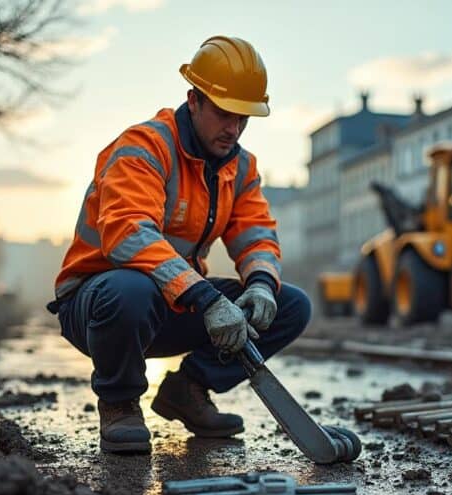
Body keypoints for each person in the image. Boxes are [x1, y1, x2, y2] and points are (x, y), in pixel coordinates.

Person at [47, 36, 311, 454]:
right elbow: (128, 234)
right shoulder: (145, 147)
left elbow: (256, 233)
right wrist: (206, 299)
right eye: (225, 113)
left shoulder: (240, 167)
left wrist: (260, 283)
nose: (235, 128)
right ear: (194, 100)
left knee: (290, 304)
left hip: (173, 304)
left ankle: (187, 391)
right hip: (100, 305)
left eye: (244, 117)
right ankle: (119, 404)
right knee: (130, 289)